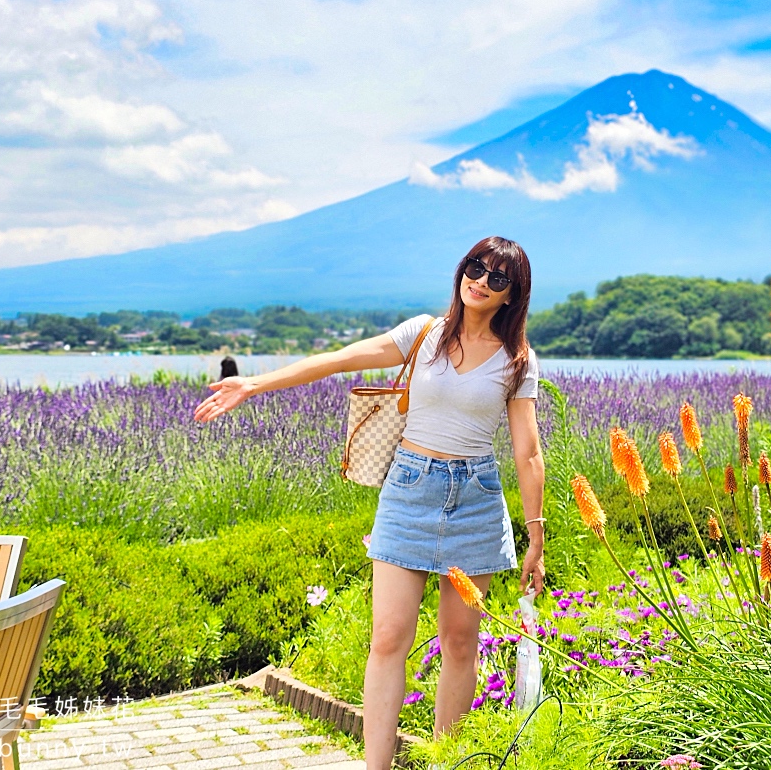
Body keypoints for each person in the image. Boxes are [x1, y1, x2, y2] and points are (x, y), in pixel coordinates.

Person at [192, 237, 545, 770]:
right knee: (388, 637)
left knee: (459, 642)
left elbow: (528, 451)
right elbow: (338, 360)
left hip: (475, 500)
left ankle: (443, 760)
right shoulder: (423, 333)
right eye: (476, 268)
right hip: (409, 491)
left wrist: (535, 535)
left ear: (510, 297)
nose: (481, 281)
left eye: (498, 279)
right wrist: (254, 384)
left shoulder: (517, 361)